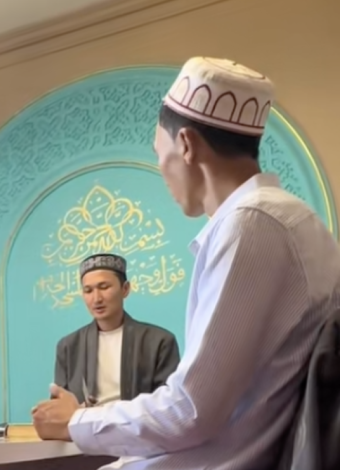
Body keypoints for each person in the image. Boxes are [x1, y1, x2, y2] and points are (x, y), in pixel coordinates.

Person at [31, 57, 340, 469]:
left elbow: (190, 411)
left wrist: (76, 421)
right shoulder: (290, 218)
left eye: (160, 154)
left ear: (187, 145)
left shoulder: (251, 222)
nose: (163, 171)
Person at [54, 253, 180, 406]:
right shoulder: (69, 346)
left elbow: (169, 403)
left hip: (138, 421)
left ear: (125, 289)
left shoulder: (159, 342)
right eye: (88, 291)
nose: (96, 298)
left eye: (104, 287)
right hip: (86, 422)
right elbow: (60, 405)